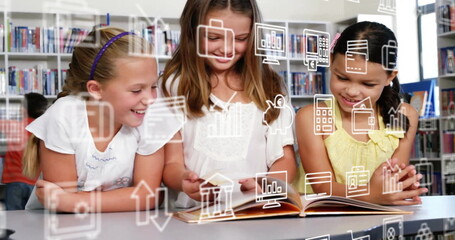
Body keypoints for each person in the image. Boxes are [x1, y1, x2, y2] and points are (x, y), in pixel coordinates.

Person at [22, 27, 181, 212]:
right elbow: (63, 210)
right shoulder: (63, 117)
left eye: (153, 86)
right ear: (96, 89)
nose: (150, 99)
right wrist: (125, 197)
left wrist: (72, 201)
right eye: (137, 90)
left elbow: (148, 196)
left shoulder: (151, 116)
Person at [160, 0, 296, 208]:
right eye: (213, 37)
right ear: (192, 32)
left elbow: (284, 160)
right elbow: (171, 164)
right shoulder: (172, 86)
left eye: (241, 39)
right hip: (196, 216)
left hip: (257, 213)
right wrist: (186, 181)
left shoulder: (270, 86)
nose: (226, 49)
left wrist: (266, 186)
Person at [294, 21, 428, 205]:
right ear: (331, 61)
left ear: (390, 77)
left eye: (367, 84)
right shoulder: (311, 117)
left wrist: (401, 185)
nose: (352, 91)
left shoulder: (403, 115)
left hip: (376, 221)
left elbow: (394, 179)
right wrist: (371, 194)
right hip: (320, 221)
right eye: (342, 78)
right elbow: (323, 188)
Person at [1, 93, 47, 210]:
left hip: (15, 180)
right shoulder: (44, 129)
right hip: (36, 182)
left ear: (23, 109)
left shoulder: (14, 126)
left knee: (13, 217)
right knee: (33, 219)